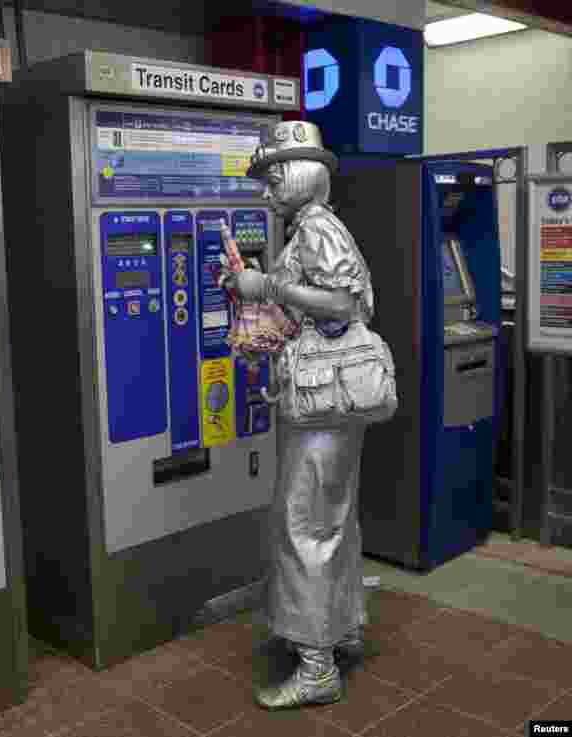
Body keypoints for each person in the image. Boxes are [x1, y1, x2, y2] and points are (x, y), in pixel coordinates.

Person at [219, 120, 374, 709]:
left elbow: (342, 303)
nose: (266, 191)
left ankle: (317, 669)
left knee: (303, 524)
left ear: (300, 175)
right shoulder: (317, 228)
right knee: (331, 519)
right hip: (328, 400)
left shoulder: (316, 229)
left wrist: (264, 287)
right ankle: (341, 630)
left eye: (273, 178)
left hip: (322, 407)